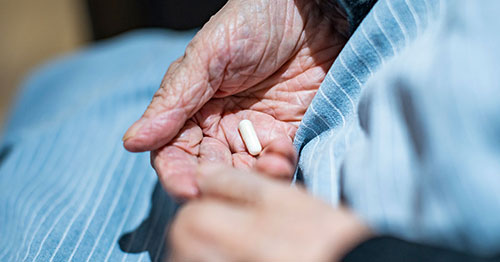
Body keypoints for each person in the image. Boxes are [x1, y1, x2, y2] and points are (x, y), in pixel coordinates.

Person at [1, 0, 500, 262]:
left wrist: (359, 256)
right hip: (341, 55)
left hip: (317, 228)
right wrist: (323, 11)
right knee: (61, 84)